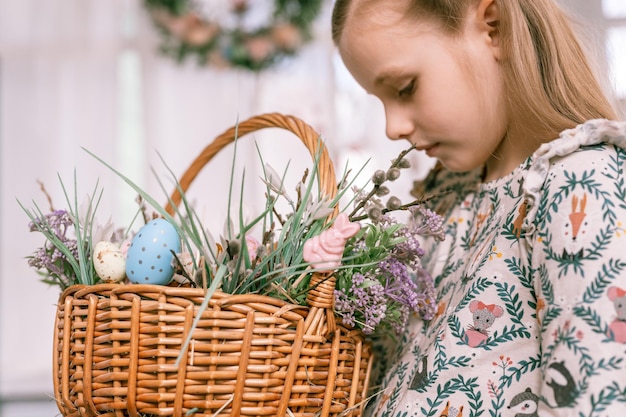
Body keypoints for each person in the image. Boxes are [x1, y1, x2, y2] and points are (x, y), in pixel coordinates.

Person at [331, 0, 626, 415]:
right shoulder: (444, 199)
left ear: (494, 29)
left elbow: (597, 398)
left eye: (404, 88)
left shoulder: (581, 184)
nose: (392, 127)